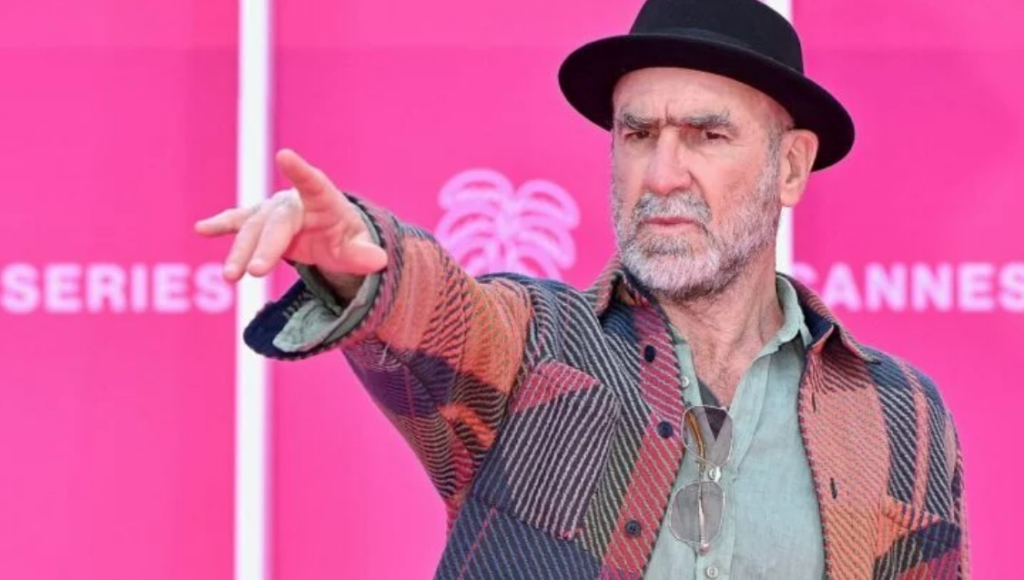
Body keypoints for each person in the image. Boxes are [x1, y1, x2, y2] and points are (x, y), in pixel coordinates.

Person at [196, 0, 970, 577]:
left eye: (707, 135)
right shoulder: (534, 348)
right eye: (638, 134)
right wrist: (363, 259)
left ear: (790, 167)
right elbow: (436, 312)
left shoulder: (899, 412)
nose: (661, 175)